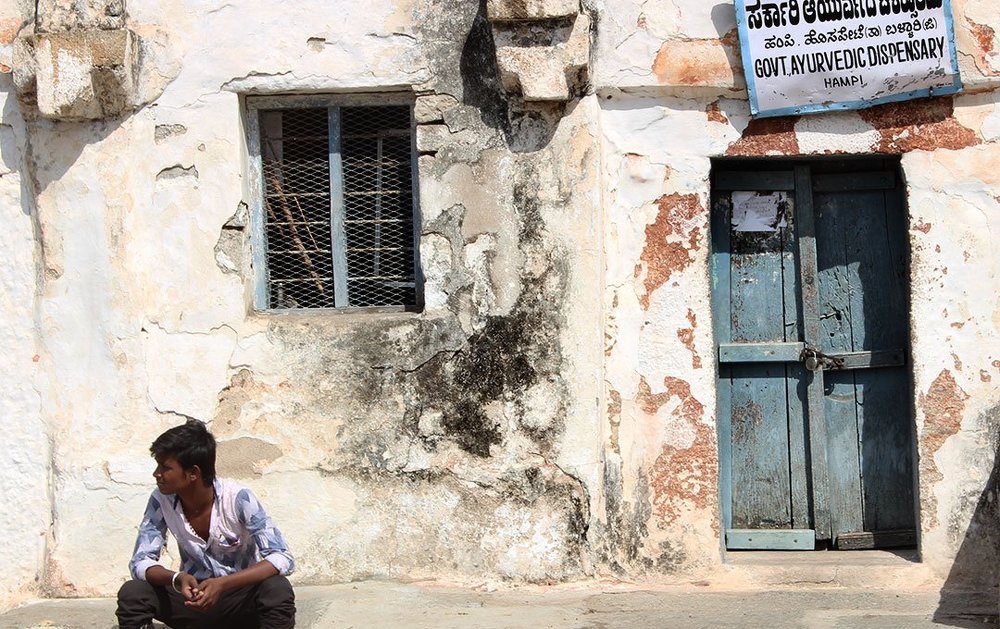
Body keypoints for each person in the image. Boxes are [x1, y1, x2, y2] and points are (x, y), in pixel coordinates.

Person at [116, 419, 296, 629]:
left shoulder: (238, 498)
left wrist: (223, 584)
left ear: (193, 473)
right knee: (133, 593)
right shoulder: (161, 501)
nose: (157, 474)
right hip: (192, 600)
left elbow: (282, 557)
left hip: (239, 600)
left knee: (277, 589)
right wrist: (177, 578)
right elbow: (140, 562)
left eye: (165, 468)